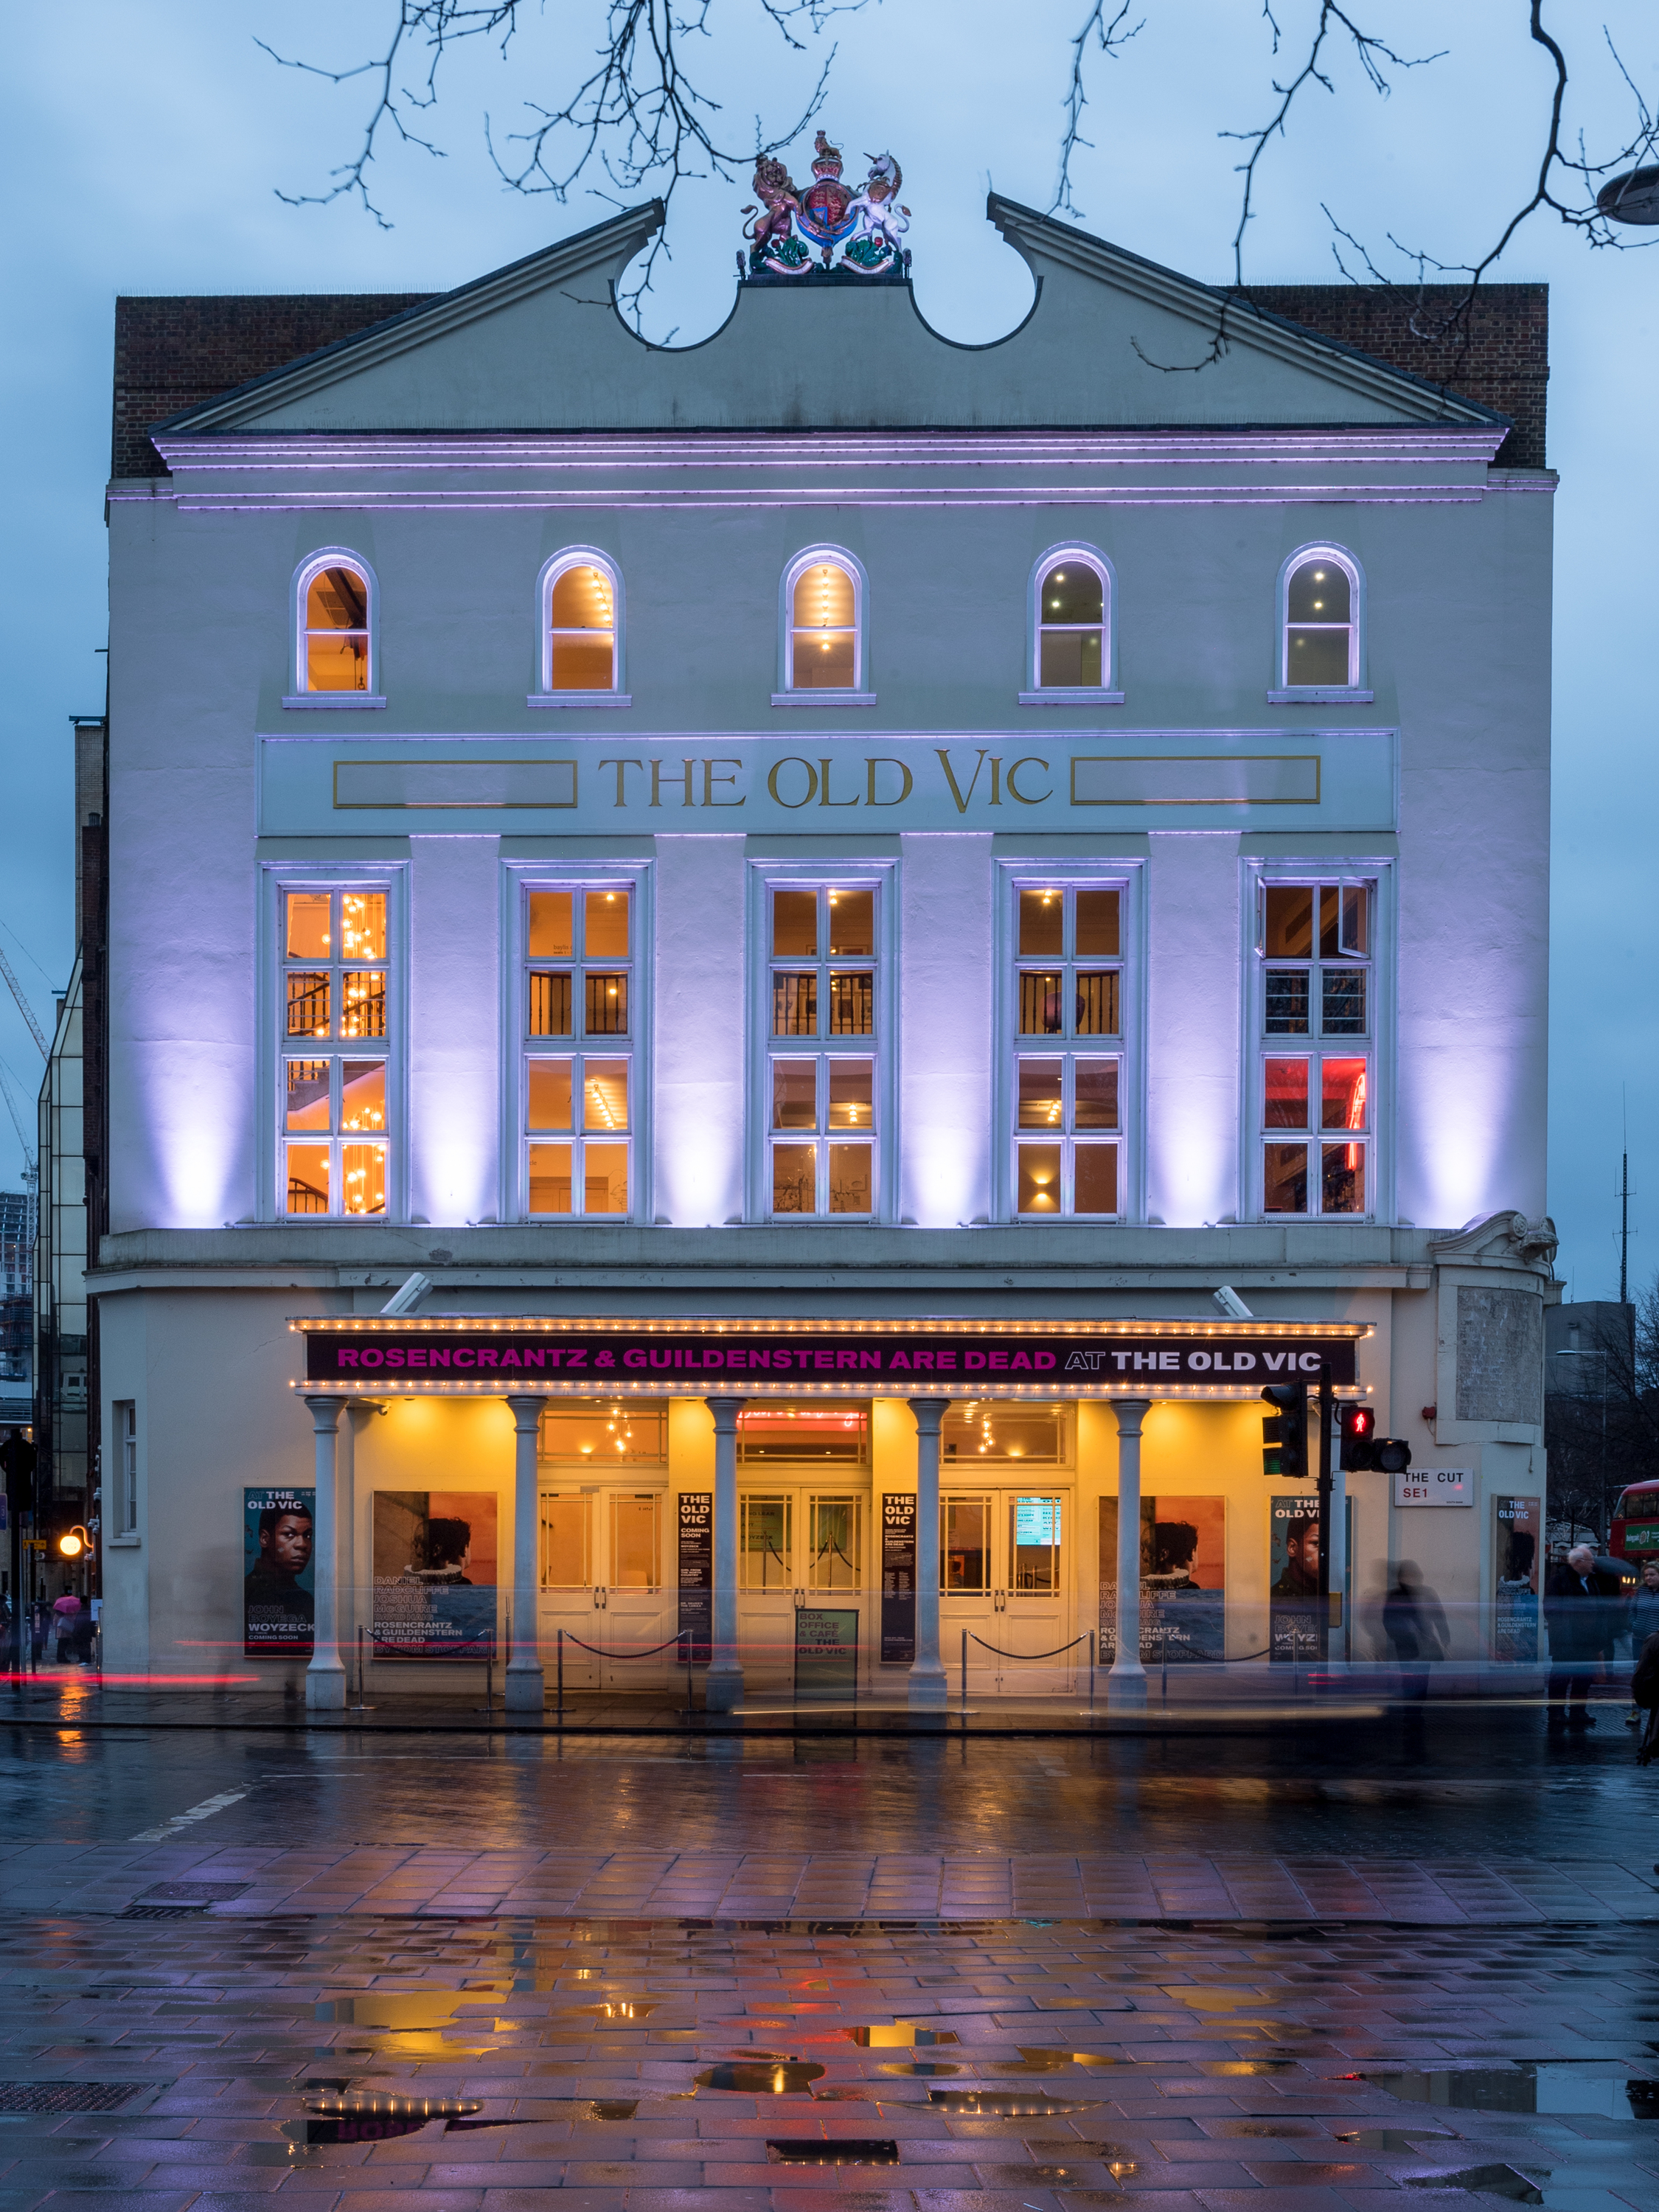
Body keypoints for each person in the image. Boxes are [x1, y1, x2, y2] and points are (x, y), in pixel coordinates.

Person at [1543, 1543, 1615, 1731]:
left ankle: (1578, 1712)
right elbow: (1550, 1610)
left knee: (1584, 1678)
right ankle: (1556, 1713)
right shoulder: (1559, 1581)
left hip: (1588, 1642)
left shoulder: (1590, 1581)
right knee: (1561, 1678)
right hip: (1566, 1640)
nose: (1593, 1564)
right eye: (1590, 1560)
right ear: (1579, 1562)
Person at [1382, 1560, 1448, 1699]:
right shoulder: (1424, 1593)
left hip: (1415, 1644)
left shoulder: (1398, 1595)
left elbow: (1439, 1616)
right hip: (1416, 1644)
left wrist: (1444, 1635)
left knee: (1415, 1678)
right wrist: (1444, 1636)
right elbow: (1439, 1616)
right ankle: (1414, 1709)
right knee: (1417, 1678)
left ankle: (1413, 1709)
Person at [243, 1503, 315, 1630]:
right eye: (289, 1534)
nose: (302, 1544)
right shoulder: (246, 1594)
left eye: (308, 1535)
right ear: (265, 1539)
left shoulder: (305, 1599)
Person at [1627, 1560, 1659, 1726]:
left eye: (1652, 1574)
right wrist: (1634, 1624)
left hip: (1657, 1643)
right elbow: (1632, 1610)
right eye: (1646, 1575)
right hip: (1639, 1640)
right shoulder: (1641, 1591)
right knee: (1638, 1675)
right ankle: (1636, 1711)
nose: (1648, 1578)